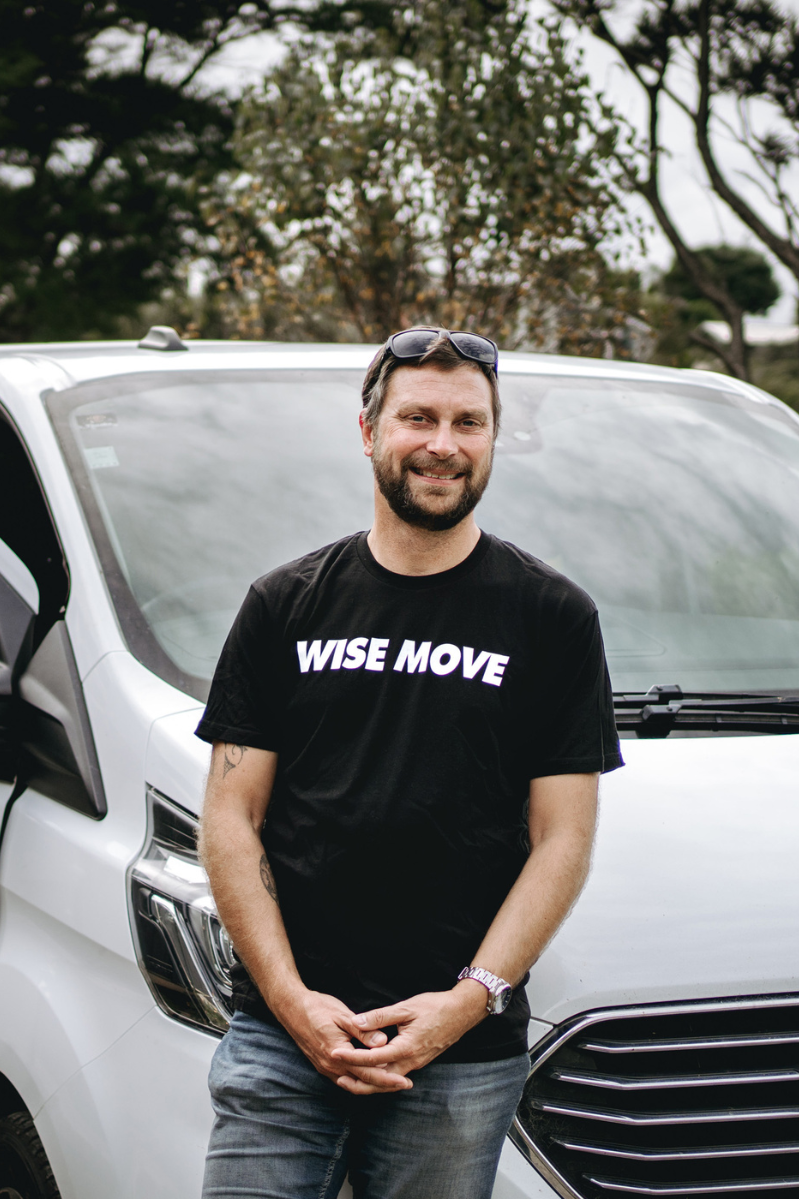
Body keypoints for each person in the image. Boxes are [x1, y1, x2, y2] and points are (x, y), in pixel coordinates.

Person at [194, 327, 623, 1199]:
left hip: (462, 1053)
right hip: (283, 1038)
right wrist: (291, 1002)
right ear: (368, 432)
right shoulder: (284, 605)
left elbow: (563, 842)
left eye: (469, 422)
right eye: (417, 417)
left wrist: (463, 1007)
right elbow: (231, 820)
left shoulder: (553, 618)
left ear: (493, 440)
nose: (442, 444)